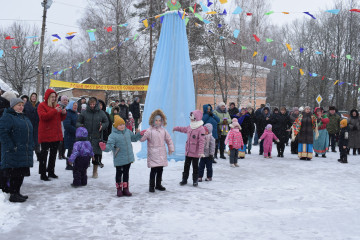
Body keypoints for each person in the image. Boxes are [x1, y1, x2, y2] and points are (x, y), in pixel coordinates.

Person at [99, 115, 142, 197]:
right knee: (119, 174)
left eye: (123, 124)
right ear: (115, 126)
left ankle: (126, 189)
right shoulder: (113, 135)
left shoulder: (128, 132)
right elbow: (110, 146)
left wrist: (139, 134)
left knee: (126, 173)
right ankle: (119, 189)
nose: (122, 126)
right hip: (119, 158)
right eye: (120, 125)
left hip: (128, 158)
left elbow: (134, 138)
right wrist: (104, 148)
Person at [0, 98, 33, 202]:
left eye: (22, 105)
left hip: (23, 150)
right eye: (18, 105)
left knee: (21, 173)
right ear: (12, 106)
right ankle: (13, 194)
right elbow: (3, 132)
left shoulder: (23, 116)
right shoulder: (8, 117)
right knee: (15, 173)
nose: (21, 107)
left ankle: (17, 192)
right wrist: (11, 146)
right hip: (13, 151)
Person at [140, 109, 174, 193]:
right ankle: (151, 186)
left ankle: (158, 184)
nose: (158, 122)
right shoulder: (149, 130)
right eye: (156, 120)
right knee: (153, 170)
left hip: (161, 153)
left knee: (160, 170)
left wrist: (171, 148)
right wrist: (141, 134)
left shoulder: (163, 130)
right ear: (153, 120)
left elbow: (169, 139)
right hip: (153, 153)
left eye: (159, 120)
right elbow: (142, 139)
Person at [37, 89, 67, 181]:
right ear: (48, 97)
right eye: (52, 97)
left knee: (53, 154)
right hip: (46, 133)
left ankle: (51, 171)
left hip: (55, 134)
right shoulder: (42, 105)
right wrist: (54, 111)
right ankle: (43, 173)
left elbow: (59, 119)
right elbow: (43, 117)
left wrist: (63, 114)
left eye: (55, 97)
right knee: (44, 154)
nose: (54, 98)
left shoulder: (57, 105)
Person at [77, 97, 109, 178]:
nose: (92, 106)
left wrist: (103, 126)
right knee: (85, 156)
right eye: (90, 104)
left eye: (93, 104)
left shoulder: (101, 113)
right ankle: (84, 171)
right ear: (88, 104)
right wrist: (81, 126)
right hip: (86, 137)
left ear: (96, 104)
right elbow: (78, 122)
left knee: (96, 155)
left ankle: (95, 171)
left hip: (97, 136)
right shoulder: (84, 113)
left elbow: (107, 122)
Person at [173, 110, 205, 187]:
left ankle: (195, 180)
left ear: (196, 118)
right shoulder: (190, 126)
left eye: (192, 118)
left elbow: (202, 141)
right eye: (190, 118)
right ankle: (184, 179)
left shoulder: (201, 129)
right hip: (188, 151)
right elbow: (183, 129)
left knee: (195, 167)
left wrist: (201, 152)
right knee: (186, 166)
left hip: (196, 153)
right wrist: (176, 128)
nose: (191, 119)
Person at [0, 91, 17, 193]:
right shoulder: (5, 110)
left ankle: (4, 183)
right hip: (4, 140)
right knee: (5, 163)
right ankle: (5, 184)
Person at [23, 93, 40, 160]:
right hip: (29, 124)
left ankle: (38, 155)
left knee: (37, 141)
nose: (34, 98)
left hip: (37, 125)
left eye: (35, 96)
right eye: (32, 96)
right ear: (30, 97)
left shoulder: (39, 104)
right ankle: (29, 156)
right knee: (29, 141)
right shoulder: (27, 105)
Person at [63, 101, 78, 170]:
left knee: (74, 150)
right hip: (70, 135)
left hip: (75, 135)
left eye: (76, 105)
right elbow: (66, 125)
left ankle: (73, 163)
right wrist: (76, 130)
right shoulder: (68, 113)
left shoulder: (75, 113)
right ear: (70, 106)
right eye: (74, 105)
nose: (75, 106)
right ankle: (68, 164)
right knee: (70, 149)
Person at [57, 95, 69, 160]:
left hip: (66, 124)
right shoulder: (58, 106)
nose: (65, 101)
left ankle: (63, 153)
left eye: (66, 100)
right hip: (60, 124)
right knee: (60, 140)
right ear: (61, 100)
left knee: (65, 140)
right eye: (64, 100)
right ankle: (59, 153)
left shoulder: (68, 107)